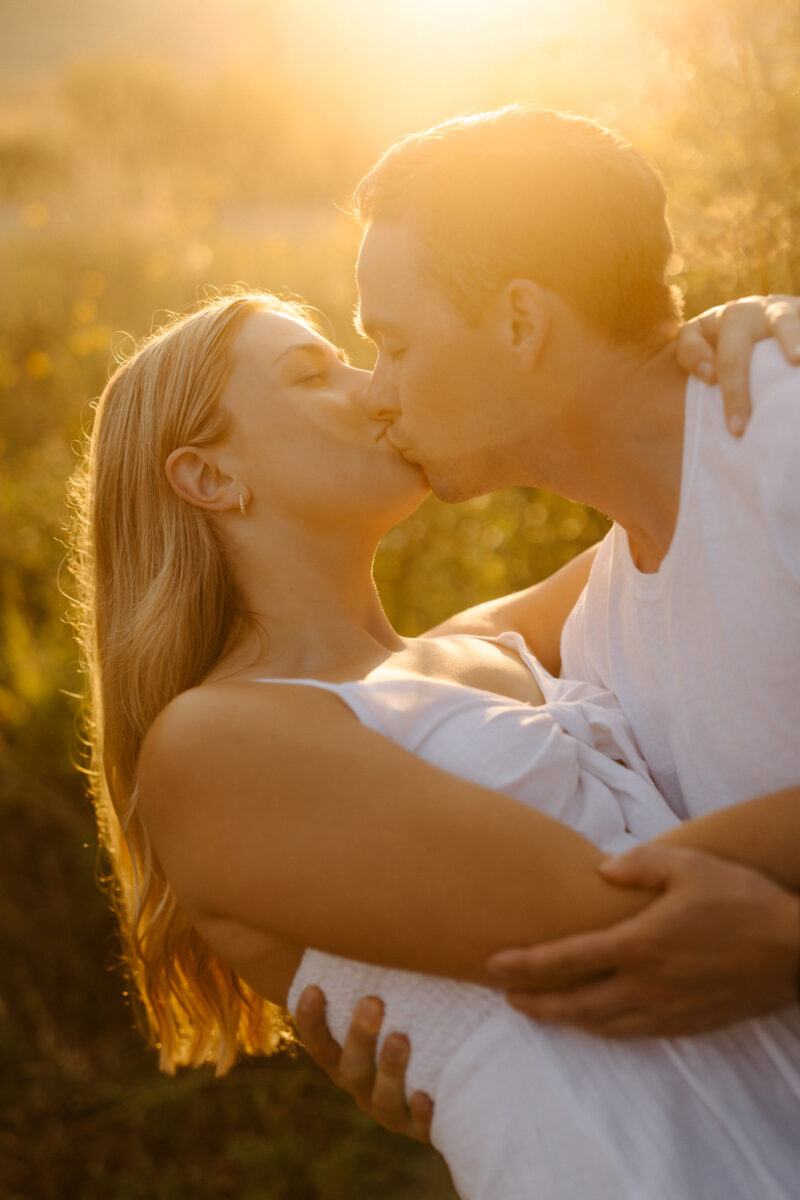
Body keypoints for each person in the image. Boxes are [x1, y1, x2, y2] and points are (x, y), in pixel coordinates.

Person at [71, 288, 800, 1199]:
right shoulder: (212, 745)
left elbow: (673, 479)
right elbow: (634, 922)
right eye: (313, 374)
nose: (377, 392)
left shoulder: (486, 644)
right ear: (210, 478)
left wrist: (735, 336)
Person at [293, 106, 800, 1138]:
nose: (379, 395)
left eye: (392, 344)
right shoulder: (598, 630)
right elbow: (351, 700)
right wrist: (473, 1044)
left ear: (520, 323)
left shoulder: (778, 431)